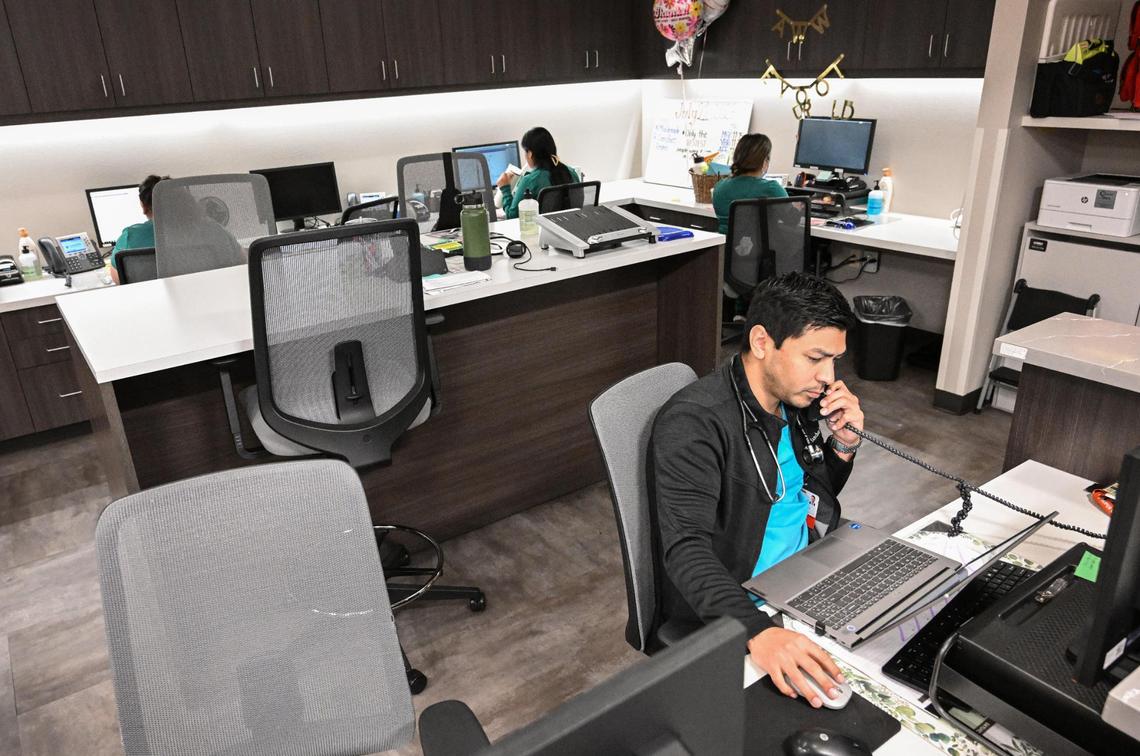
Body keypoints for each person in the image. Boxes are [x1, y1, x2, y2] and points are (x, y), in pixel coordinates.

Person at [650, 272, 864, 709]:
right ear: (763, 341)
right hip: (744, 604)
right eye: (816, 358)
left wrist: (843, 445)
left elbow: (803, 493)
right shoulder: (694, 423)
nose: (828, 377)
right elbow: (685, 550)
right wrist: (759, 631)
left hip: (805, 577)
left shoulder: (798, 399)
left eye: (835, 360)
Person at [495, 127, 580, 220]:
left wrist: (505, 189)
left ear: (530, 154)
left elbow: (513, 216)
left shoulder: (530, 180)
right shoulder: (572, 172)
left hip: (541, 228)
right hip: (571, 226)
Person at [711, 133, 788, 235]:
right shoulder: (771, 188)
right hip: (756, 245)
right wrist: (799, 206)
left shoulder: (720, 186)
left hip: (724, 244)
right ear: (765, 161)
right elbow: (792, 219)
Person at [109, 174, 166, 284]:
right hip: (191, 292)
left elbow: (118, 280)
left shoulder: (129, 237)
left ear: (144, 207)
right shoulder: (198, 231)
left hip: (147, 294)